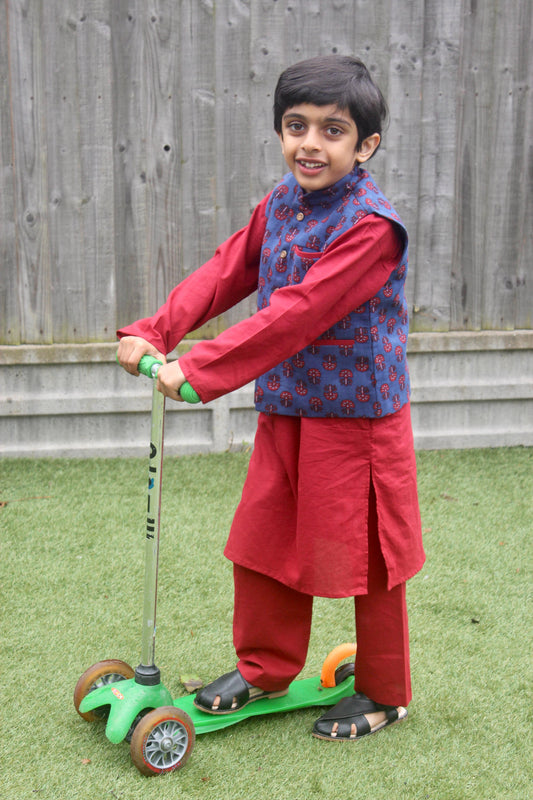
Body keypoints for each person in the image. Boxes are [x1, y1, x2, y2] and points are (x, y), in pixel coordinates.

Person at [117, 54, 425, 742]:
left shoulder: (371, 226)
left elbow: (299, 311)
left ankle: (384, 689)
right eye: (295, 126)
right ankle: (264, 667)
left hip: (359, 419)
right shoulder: (281, 201)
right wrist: (155, 329)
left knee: (372, 557)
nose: (309, 143)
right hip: (287, 406)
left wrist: (201, 367)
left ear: (365, 144)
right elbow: (228, 270)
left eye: (332, 130)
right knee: (262, 540)